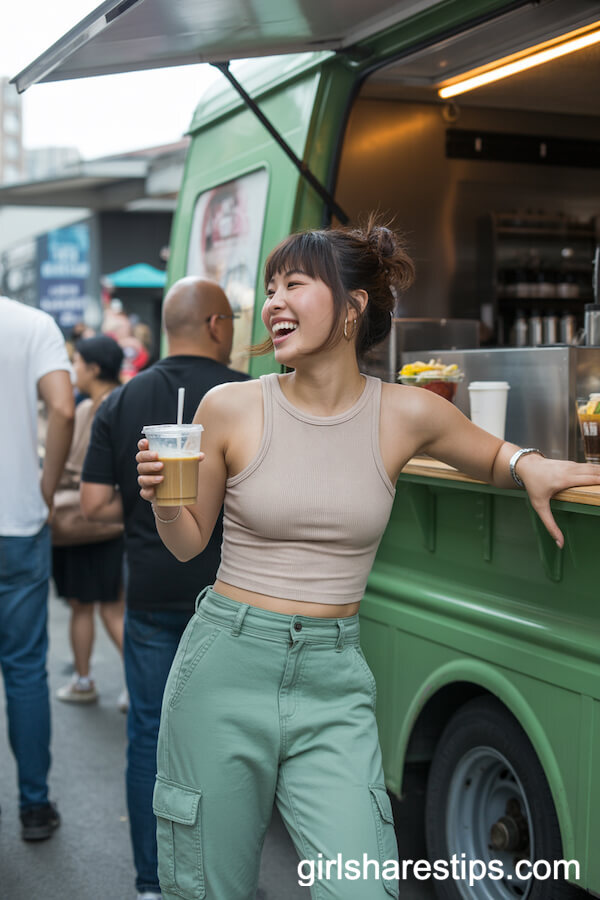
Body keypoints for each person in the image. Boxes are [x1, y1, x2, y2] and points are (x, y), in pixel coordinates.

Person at [137, 218, 600, 900]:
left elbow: (500, 457)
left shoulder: (406, 413)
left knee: (364, 886)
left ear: (353, 308)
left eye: (295, 283)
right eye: (270, 287)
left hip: (333, 680)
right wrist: (161, 496)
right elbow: (186, 543)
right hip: (225, 666)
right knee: (207, 888)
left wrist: (537, 466)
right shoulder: (229, 406)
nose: (274, 302)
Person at [80, 276, 248, 900]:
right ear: (214, 326)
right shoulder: (248, 397)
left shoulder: (122, 401)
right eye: (231, 318)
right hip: (235, 598)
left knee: (150, 736)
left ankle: (153, 882)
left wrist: (139, 506)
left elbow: (94, 501)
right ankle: (226, 881)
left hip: (149, 596)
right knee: (232, 744)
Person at [0, 295, 74, 841]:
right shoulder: (31, 323)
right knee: (25, 670)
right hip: (18, 523)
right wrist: (45, 488)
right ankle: (33, 806)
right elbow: (65, 408)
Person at [53, 335, 126, 704]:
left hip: (82, 523)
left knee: (85, 607)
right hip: (117, 521)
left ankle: (84, 682)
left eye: (77, 362)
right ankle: (139, 685)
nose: (73, 370)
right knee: (115, 609)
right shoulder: (128, 402)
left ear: (95, 368)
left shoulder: (87, 409)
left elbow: (69, 465)